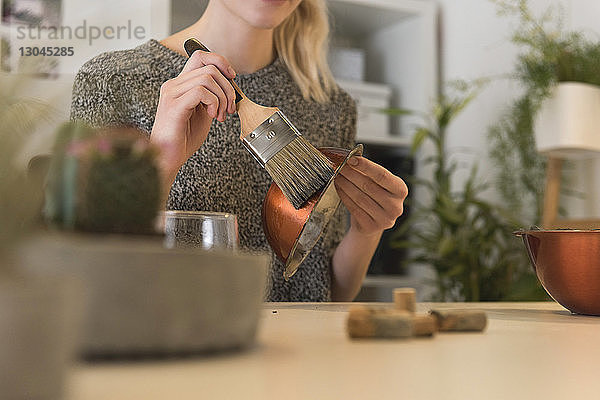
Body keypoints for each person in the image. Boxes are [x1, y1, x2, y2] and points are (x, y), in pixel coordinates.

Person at [70, 0, 408, 302]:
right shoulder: (112, 82)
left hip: (299, 361)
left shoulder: (331, 105)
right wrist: (161, 161)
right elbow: (91, 273)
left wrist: (367, 230)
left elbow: (323, 291)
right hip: (176, 354)